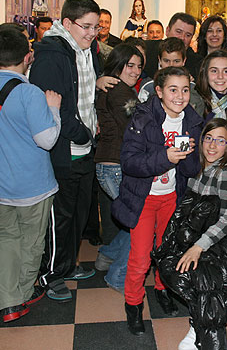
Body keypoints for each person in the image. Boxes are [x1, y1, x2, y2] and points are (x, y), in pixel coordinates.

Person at [0, 27, 62, 323]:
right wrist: (54, 110)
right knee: (32, 240)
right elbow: (47, 139)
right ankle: (22, 293)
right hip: (33, 184)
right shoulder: (30, 93)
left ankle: (7, 301)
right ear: (28, 57)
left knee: (3, 238)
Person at [112, 66, 203, 335]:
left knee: (167, 252)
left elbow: (191, 170)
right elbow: (129, 163)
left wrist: (190, 156)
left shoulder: (192, 120)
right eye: (173, 89)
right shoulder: (143, 119)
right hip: (143, 199)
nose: (180, 96)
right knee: (140, 258)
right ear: (160, 92)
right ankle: (133, 305)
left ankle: (163, 290)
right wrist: (166, 157)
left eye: (185, 90)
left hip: (171, 198)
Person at [30, 0, 102, 301]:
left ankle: (67, 264)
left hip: (84, 146)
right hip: (63, 149)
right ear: (68, 23)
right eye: (86, 27)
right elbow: (51, 109)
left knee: (78, 214)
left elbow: (85, 94)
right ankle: (51, 274)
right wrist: (82, 133)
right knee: (60, 218)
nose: (92, 33)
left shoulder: (86, 51)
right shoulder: (52, 55)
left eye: (96, 27)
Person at [154, 118, 227, 349]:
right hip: (199, 236)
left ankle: (206, 336)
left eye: (220, 141)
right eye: (208, 138)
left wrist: (198, 247)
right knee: (176, 268)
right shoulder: (199, 168)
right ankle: (197, 321)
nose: (212, 146)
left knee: (206, 282)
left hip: (221, 240)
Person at [93, 44, 144, 291]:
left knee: (136, 219)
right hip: (114, 166)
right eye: (130, 65)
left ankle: (107, 255)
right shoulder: (119, 91)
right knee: (141, 223)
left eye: (139, 66)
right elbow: (135, 130)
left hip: (110, 164)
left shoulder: (115, 88)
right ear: (117, 64)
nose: (135, 71)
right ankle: (118, 276)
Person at [192, 50, 227, 165]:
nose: (220, 76)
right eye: (214, 71)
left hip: (224, 166)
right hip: (194, 165)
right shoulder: (193, 100)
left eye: (226, 71)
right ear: (205, 73)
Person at [138, 37, 187, 103]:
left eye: (176, 61)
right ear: (159, 60)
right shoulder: (149, 88)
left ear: (184, 61)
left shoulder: (192, 88)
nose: (171, 65)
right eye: (166, 61)